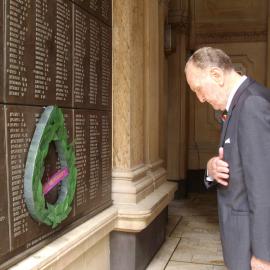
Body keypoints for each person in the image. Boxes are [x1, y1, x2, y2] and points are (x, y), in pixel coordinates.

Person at [185, 47, 270, 270]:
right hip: (240, 238)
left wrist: (263, 254)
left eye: (199, 89)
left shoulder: (252, 105)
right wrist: (210, 169)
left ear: (216, 75)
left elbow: (263, 184)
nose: (200, 98)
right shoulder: (237, 105)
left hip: (250, 246)